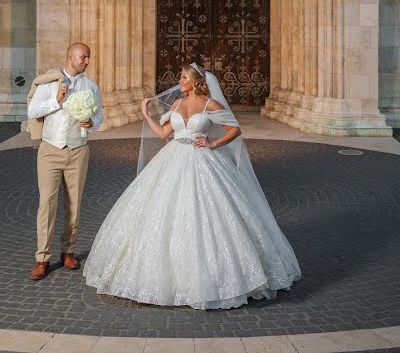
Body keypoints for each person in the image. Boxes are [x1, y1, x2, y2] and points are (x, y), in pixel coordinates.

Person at [83, 63, 300, 309]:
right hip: (173, 157)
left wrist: (213, 143)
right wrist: (145, 114)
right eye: (180, 76)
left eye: (183, 77)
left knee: (210, 212)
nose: (179, 80)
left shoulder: (210, 105)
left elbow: (235, 129)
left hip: (202, 159)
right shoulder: (176, 104)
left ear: (196, 81)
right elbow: (164, 134)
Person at [28, 42, 103, 280]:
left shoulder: (90, 85)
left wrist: (92, 123)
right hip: (50, 150)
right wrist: (56, 100)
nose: (87, 61)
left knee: (74, 204)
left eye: (88, 58)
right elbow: (32, 111)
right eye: (83, 57)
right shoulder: (49, 83)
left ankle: (68, 251)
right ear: (70, 57)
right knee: (46, 204)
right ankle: (42, 258)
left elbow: (100, 113)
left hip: (78, 150)